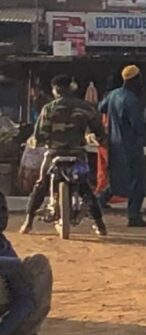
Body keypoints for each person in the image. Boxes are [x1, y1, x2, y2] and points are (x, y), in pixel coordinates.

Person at [19, 75, 107, 236]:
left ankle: (28, 222)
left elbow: (40, 135)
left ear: (55, 90)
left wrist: (38, 141)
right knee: (85, 187)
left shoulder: (49, 109)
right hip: (78, 155)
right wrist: (96, 139)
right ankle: (100, 225)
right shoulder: (86, 108)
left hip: (54, 155)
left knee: (41, 184)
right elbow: (99, 130)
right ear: (71, 88)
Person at [0, 192, 71, 335]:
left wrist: (2, 332)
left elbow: (24, 299)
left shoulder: (4, 245)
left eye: (4, 210)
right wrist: (13, 265)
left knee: (38, 265)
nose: (2, 216)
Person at [98, 65, 146, 228]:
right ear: (135, 80)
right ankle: (134, 215)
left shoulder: (113, 95)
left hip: (115, 145)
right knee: (138, 182)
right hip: (131, 146)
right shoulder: (132, 100)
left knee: (116, 178)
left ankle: (97, 202)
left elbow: (101, 108)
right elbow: (137, 126)